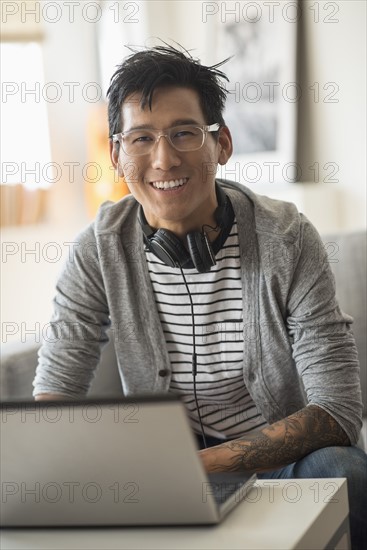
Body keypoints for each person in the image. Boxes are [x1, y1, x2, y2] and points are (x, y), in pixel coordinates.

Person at [33, 45, 366, 548]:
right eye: (141, 138)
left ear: (222, 144)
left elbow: (338, 411)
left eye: (185, 133)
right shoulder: (98, 249)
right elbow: (55, 394)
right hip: (159, 473)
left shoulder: (288, 239)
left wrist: (195, 466)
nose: (164, 158)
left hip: (277, 464)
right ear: (118, 156)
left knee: (344, 469)